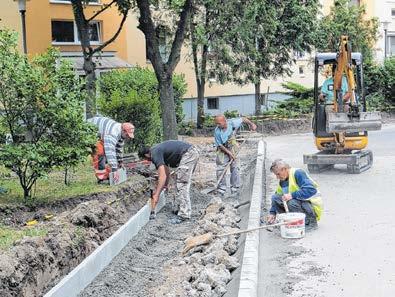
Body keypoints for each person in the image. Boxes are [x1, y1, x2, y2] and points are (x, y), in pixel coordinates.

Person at [138, 140, 199, 224]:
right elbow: (167, 173)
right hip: (190, 153)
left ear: (146, 155)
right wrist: (165, 186)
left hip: (188, 154)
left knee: (182, 184)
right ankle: (179, 209)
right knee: (179, 181)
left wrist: (157, 194)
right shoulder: (159, 151)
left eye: (146, 159)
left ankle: (184, 215)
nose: (149, 161)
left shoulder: (155, 153)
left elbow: (162, 176)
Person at [267, 159, 323, 230]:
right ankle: (291, 221)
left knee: (291, 202)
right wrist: (272, 213)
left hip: (312, 207)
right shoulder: (283, 181)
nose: (277, 177)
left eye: (278, 174)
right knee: (275, 198)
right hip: (299, 204)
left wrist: (292, 195)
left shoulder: (298, 173)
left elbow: (311, 190)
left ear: (284, 169)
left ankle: (310, 222)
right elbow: (277, 196)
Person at [214, 114, 257, 196]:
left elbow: (244, 119)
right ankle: (221, 189)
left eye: (219, 123)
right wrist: (229, 154)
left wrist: (251, 124)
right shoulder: (217, 131)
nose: (217, 125)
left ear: (224, 121)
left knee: (235, 167)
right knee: (220, 168)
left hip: (233, 146)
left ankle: (235, 188)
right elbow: (220, 145)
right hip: (222, 150)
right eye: (216, 123)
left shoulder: (232, 123)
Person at [88, 116, 135, 183]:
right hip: (90, 131)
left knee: (106, 157)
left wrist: (120, 162)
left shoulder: (121, 133)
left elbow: (119, 148)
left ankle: (106, 174)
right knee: (100, 153)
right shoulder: (112, 133)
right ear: (123, 131)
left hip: (100, 135)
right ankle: (101, 178)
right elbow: (110, 152)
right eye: (127, 135)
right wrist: (114, 170)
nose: (128, 137)